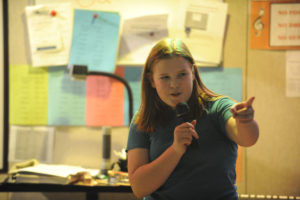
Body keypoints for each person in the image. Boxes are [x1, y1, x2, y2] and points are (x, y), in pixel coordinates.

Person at [126, 38, 259, 200]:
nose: (174, 84)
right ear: (151, 80)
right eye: (165, 77)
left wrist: (246, 121)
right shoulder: (143, 120)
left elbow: (248, 138)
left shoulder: (218, 108)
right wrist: (175, 150)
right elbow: (139, 188)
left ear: (193, 73)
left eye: (182, 75)